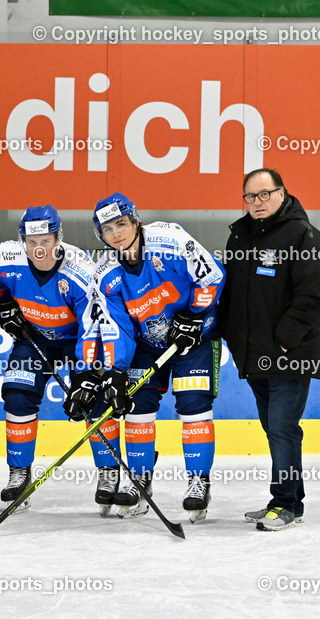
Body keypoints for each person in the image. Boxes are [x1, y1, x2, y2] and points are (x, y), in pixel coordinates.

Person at [0, 205, 132, 516]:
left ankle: (109, 472)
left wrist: (86, 374)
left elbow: (93, 326)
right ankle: (19, 472)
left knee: (93, 400)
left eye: (46, 241)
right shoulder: (2, 259)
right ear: (21, 240)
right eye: (31, 241)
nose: (39, 249)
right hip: (35, 338)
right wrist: (5, 306)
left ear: (58, 239)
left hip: (78, 339)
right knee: (17, 394)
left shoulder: (80, 272)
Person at [92, 192, 225, 522]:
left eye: (121, 224)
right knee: (138, 408)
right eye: (107, 230)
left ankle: (198, 481)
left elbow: (212, 275)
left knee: (194, 405)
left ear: (135, 220)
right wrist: (116, 370)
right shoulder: (106, 274)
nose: (116, 234)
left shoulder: (171, 240)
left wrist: (195, 315)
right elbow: (117, 326)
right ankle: (140, 480)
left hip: (194, 339)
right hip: (148, 346)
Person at [219, 169, 320, 531]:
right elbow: (233, 296)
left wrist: (284, 340)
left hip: (290, 355)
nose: (257, 202)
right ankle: (290, 502)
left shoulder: (304, 236)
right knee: (276, 428)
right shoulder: (239, 238)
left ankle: (282, 503)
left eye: (265, 194)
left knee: (282, 427)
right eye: (250, 197)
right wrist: (231, 336)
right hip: (254, 356)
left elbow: (313, 297)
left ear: (282, 193)